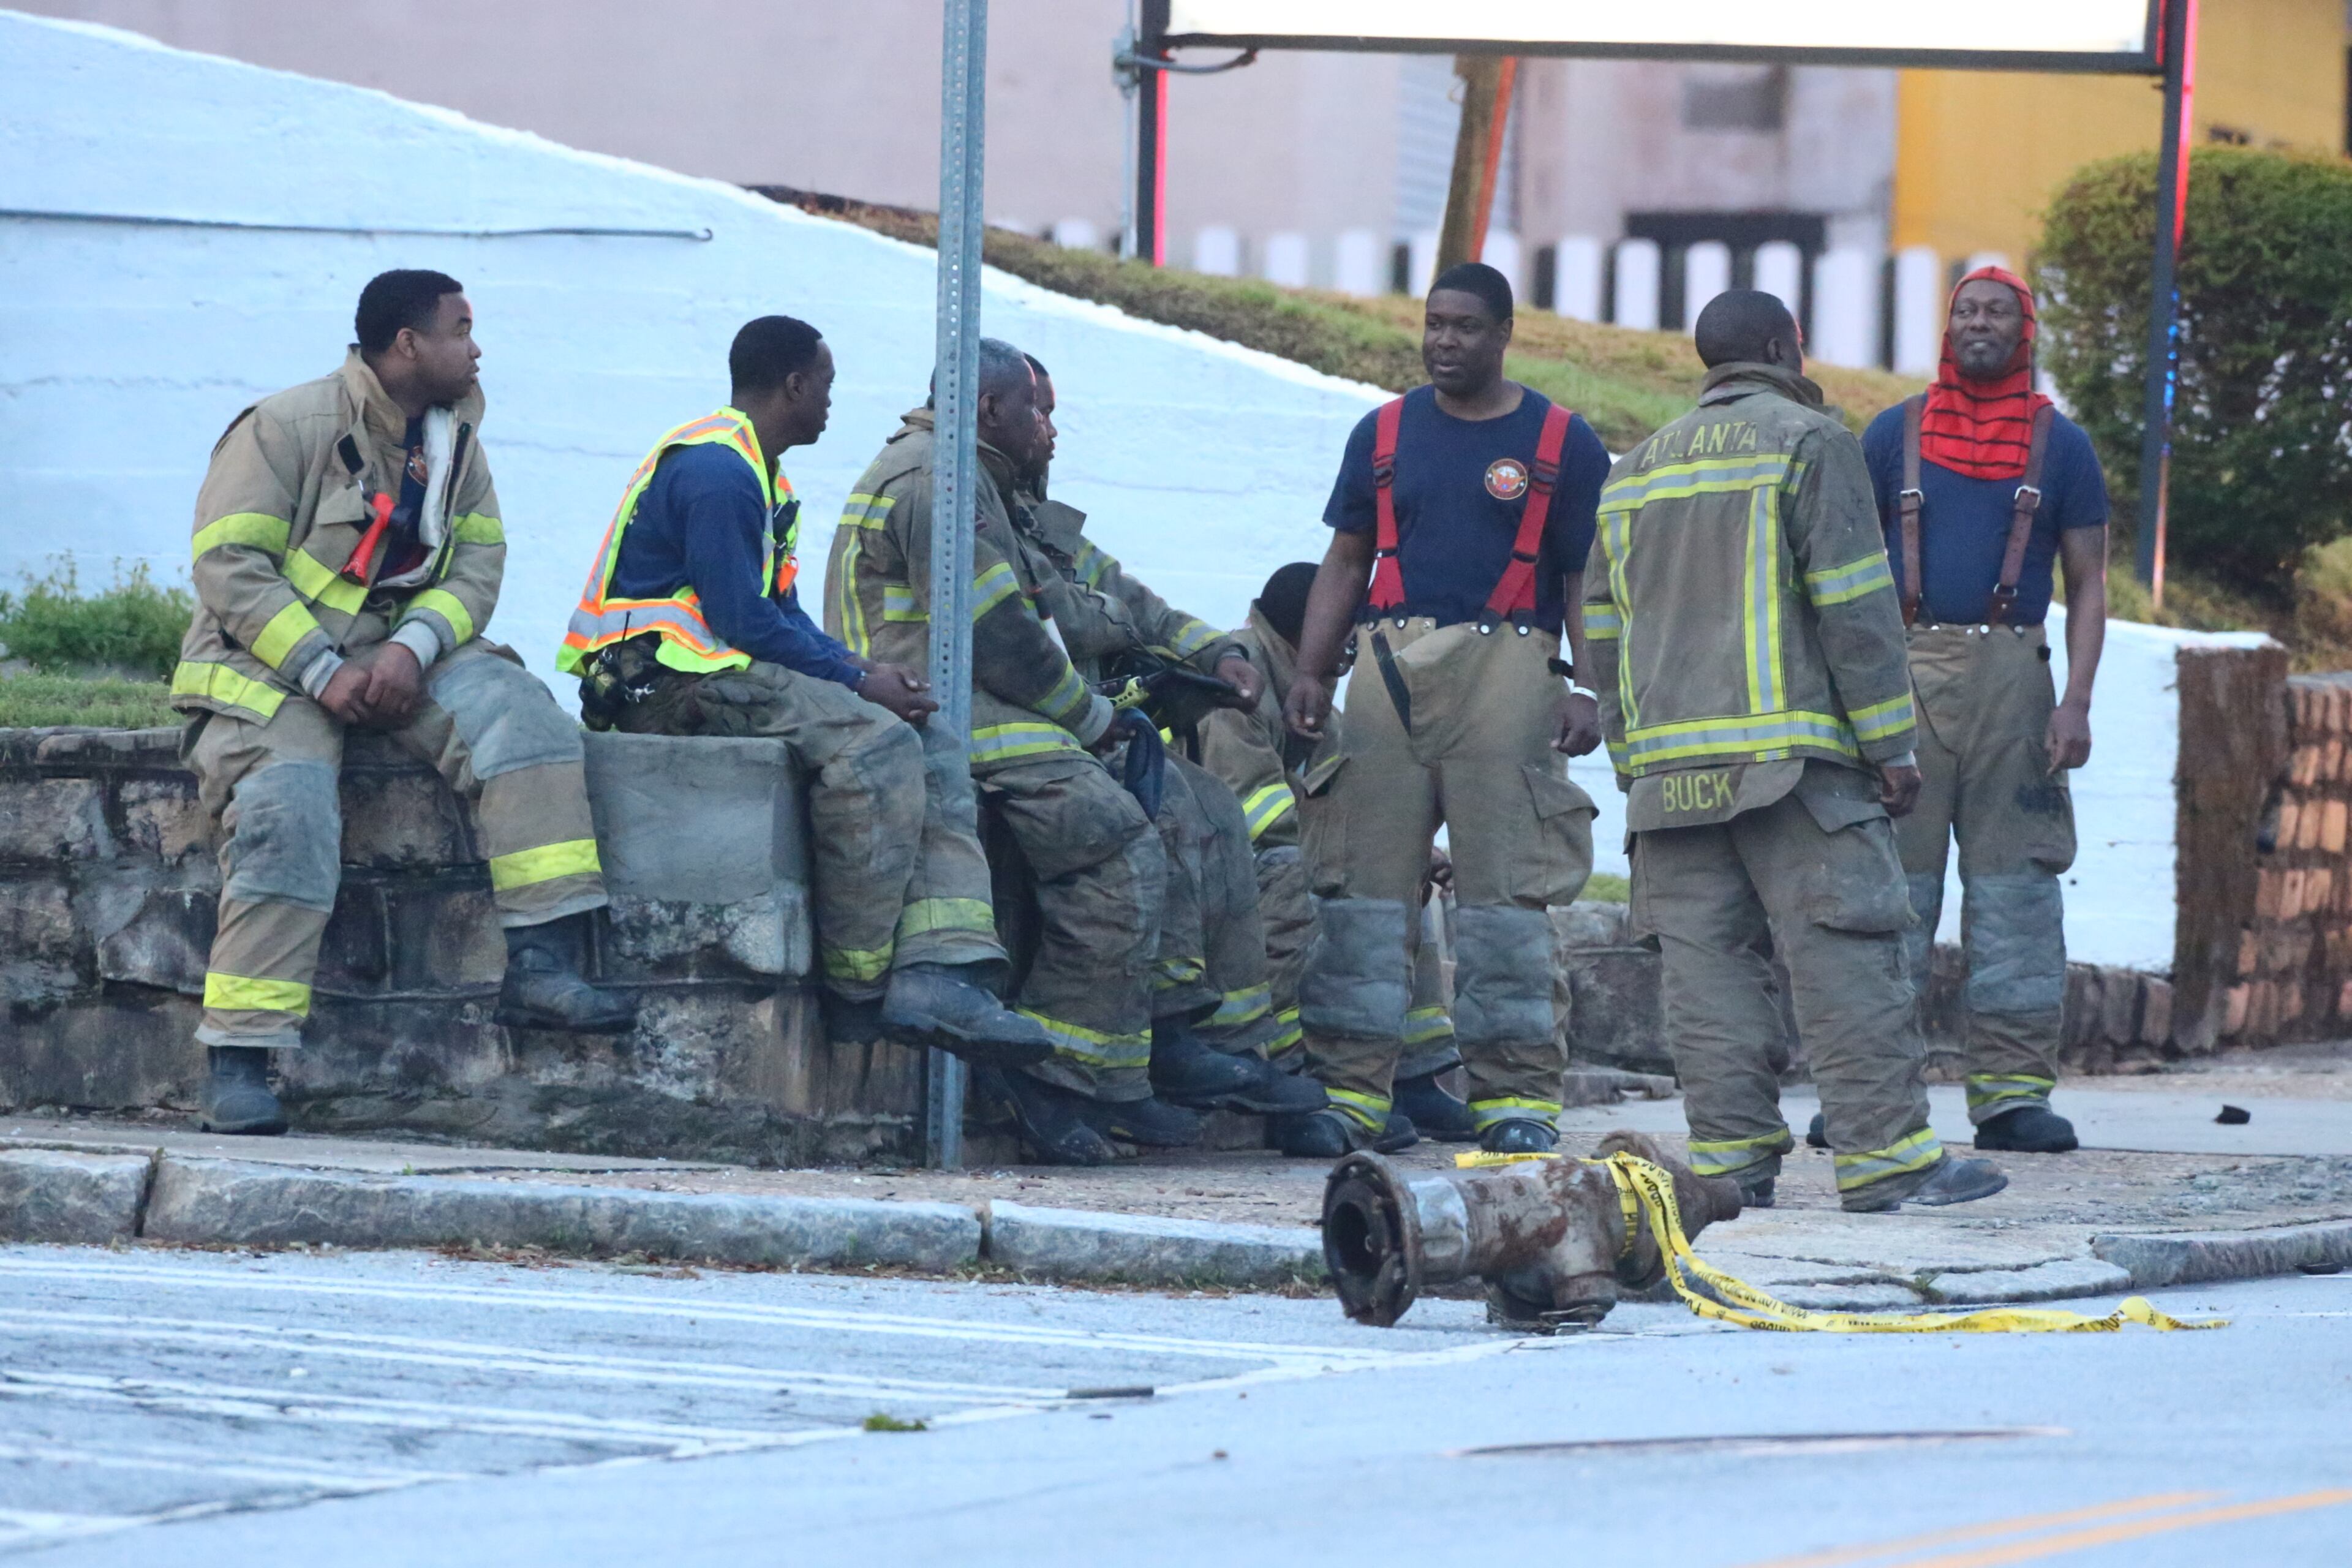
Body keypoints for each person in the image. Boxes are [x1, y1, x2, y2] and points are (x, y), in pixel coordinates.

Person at [825, 341, 1313, 1165]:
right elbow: (1002, 636)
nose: (1051, 429)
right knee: (1119, 840)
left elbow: (1113, 596)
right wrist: (1089, 718)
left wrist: (1208, 657)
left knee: (1204, 808)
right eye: (1038, 411)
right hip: (943, 713)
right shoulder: (934, 481)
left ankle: (1168, 1050)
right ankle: (1054, 1079)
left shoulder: (993, 489)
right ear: (988, 411)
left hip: (998, 711)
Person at [175, 270, 632, 1136]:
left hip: (397, 657)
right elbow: (229, 568)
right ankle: (239, 1059)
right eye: (462, 329)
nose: (478, 346)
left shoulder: (457, 441)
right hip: (271, 669)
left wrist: (408, 649)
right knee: (290, 805)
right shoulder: (283, 427)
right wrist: (321, 669)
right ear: (408, 345)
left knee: (524, 721)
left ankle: (543, 961)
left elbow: (479, 566)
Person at [1583, 288, 2007, 1213]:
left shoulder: (1636, 469)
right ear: (1785, 349)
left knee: (1706, 975)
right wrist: (1892, 744)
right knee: (1845, 953)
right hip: (1793, 768)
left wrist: (1631, 757)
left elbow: (1600, 632)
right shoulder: (1812, 444)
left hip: (1667, 781)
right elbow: (1855, 606)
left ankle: (1732, 1167)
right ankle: (1887, 1161)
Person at [556, 315, 1049, 1071]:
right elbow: (741, 619)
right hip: (664, 685)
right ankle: (859, 990)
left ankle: (942, 968)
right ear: (793, 385)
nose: (829, 402)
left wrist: (866, 675)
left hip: (720, 673)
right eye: (825, 386)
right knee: (877, 746)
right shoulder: (718, 471)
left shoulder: (758, 470)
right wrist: (859, 681)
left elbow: (779, 616)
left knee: (930, 736)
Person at [1282, 262, 1607, 1158]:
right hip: (1386, 666)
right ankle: (1350, 1092)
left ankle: (1516, 1096)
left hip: (1510, 666)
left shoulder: (1562, 443)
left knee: (1506, 898)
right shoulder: (1382, 433)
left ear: (1503, 334)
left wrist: (1591, 687)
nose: (1443, 342)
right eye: (1433, 324)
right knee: (1361, 893)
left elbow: (1584, 578)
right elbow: (1346, 560)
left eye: (1464, 327)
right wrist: (1312, 672)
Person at [1841, 265, 2105, 1156]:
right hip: (1901, 676)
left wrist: (2076, 700)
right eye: (1965, 310)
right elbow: (1835, 569)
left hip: (2014, 682)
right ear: (1946, 327)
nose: (1978, 323)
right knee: (1888, 897)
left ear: (2024, 331)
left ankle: (2013, 1098)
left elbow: (2091, 581)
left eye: (1997, 311)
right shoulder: (1891, 434)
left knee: (2018, 893)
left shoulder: (2062, 447)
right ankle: (1869, 1095)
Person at [1197, 562, 1473, 1143]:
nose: (1353, 648)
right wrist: (1344, 852)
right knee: (1309, 882)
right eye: (1348, 631)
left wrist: (1414, 851)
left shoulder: (1309, 687)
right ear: (1310, 628)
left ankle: (1415, 1077)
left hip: (1291, 851)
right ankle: (1296, 1074)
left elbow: (1354, 792)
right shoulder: (1241, 681)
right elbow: (1251, 809)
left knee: (1397, 881)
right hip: (1227, 865)